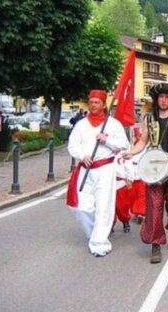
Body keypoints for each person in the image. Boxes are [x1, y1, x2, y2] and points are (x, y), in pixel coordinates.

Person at [123, 83, 168, 264]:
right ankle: (156, 244)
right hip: (154, 169)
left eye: (167, 97)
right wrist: (132, 152)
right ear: (156, 99)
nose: (164, 100)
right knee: (154, 206)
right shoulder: (149, 118)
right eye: (161, 97)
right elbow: (143, 140)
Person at [66, 89, 129, 257]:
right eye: (91, 102)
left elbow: (124, 144)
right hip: (85, 169)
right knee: (81, 207)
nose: (93, 105)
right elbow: (72, 145)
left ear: (103, 105)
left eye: (97, 102)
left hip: (105, 169)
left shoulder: (113, 124)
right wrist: (82, 156)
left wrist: (106, 140)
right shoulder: (81, 125)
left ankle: (99, 242)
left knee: (103, 206)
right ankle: (94, 233)